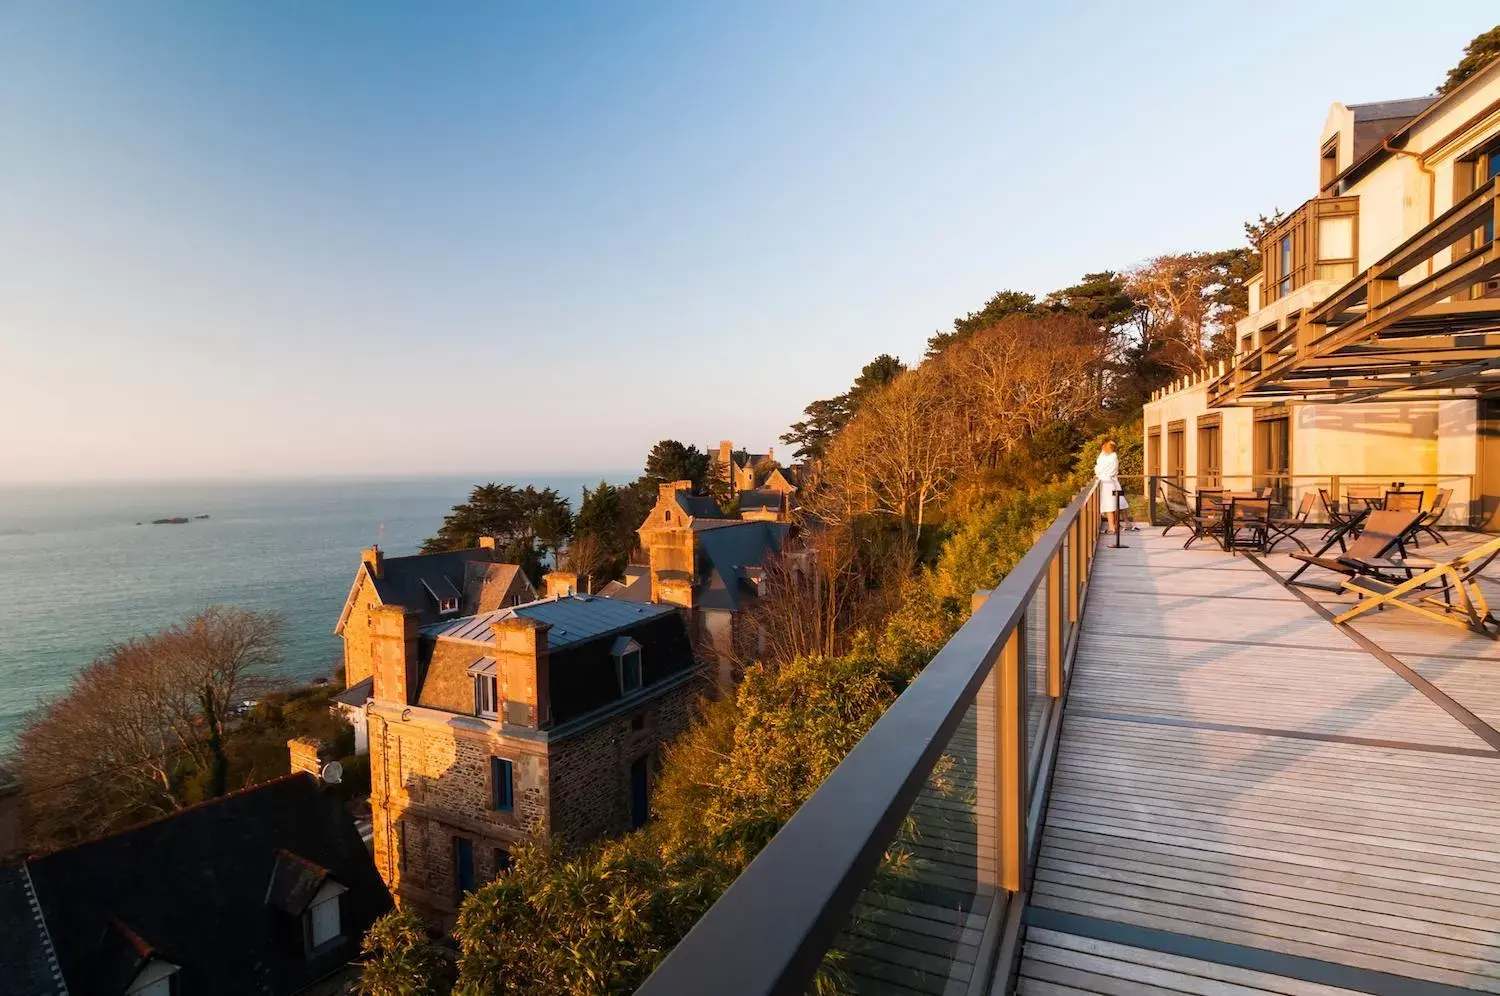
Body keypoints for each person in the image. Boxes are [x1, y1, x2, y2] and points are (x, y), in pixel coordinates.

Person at [1094, 440, 1135, 532]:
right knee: (1118, 501)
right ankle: (1121, 523)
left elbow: (1098, 469)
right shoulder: (1112, 456)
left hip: (1106, 483)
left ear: (1106, 447)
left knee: (1110, 504)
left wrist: (1097, 471)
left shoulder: (1107, 458)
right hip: (1113, 482)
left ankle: (1112, 527)